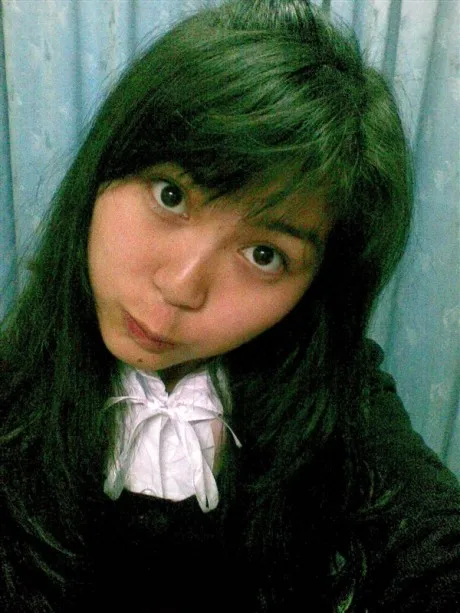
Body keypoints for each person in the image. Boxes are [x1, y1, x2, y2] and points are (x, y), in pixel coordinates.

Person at [1, 0, 459, 610]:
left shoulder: (339, 398)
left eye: (264, 255)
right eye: (171, 195)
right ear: (103, 169)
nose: (181, 287)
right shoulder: (13, 384)